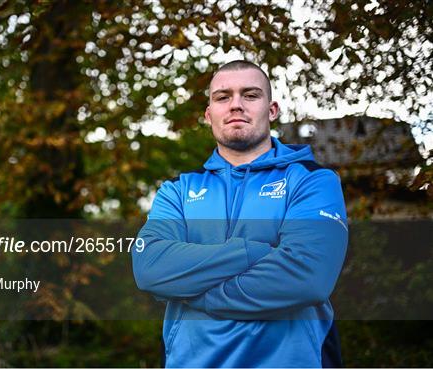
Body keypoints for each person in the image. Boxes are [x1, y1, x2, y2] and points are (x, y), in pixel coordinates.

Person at [132, 60, 348, 368]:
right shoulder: (178, 190)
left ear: (271, 110)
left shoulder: (312, 180)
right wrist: (251, 252)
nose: (236, 105)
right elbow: (149, 266)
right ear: (209, 115)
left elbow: (307, 277)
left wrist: (195, 296)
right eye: (222, 97)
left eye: (250, 95)